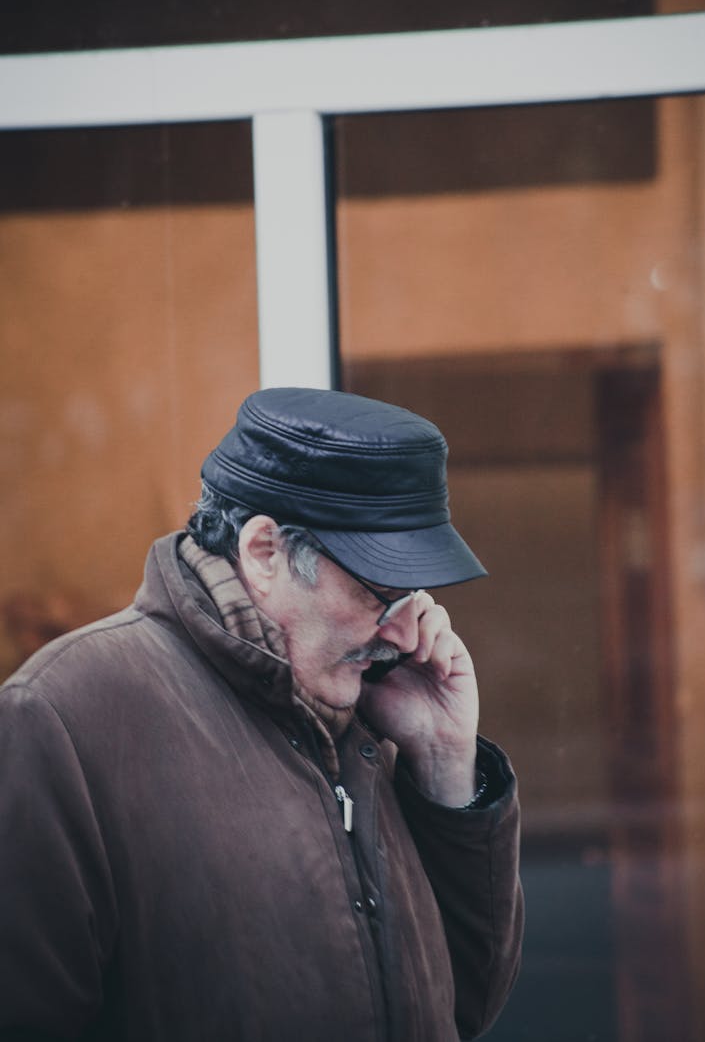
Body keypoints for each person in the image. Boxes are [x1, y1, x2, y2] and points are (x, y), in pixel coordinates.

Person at [0, 387, 523, 1041]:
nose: (403, 632)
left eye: (410, 594)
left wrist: (446, 763)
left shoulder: (376, 709)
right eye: (375, 592)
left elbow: (464, 1006)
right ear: (265, 552)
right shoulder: (62, 715)